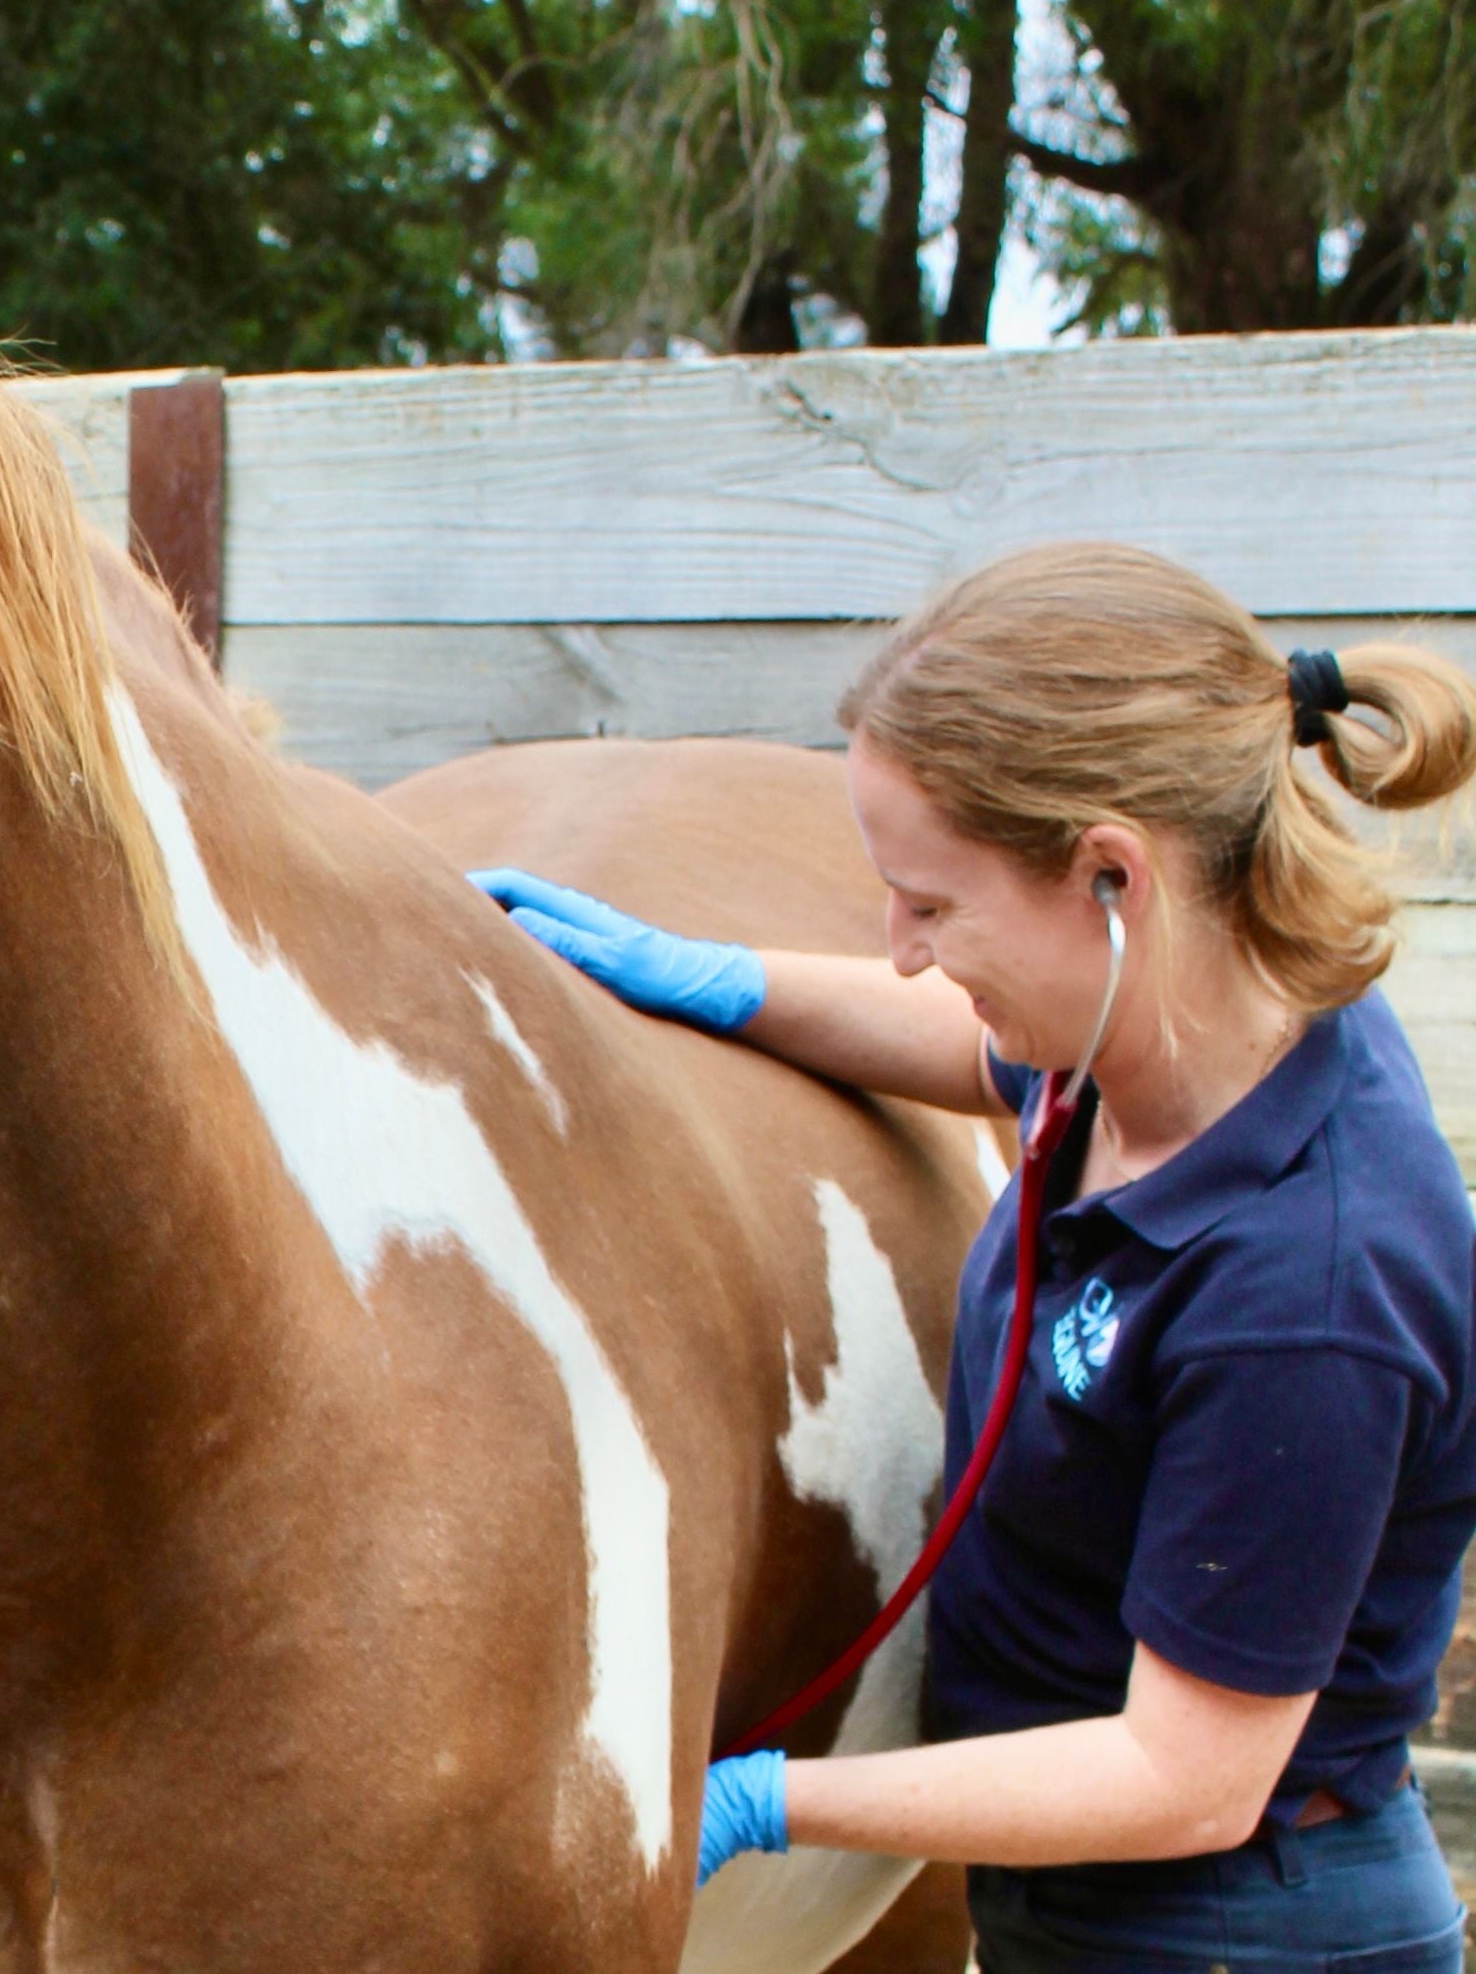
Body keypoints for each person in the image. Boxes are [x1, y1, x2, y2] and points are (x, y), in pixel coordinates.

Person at [477, 541, 1476, 1971]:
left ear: (1112, 879)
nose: (898, 950)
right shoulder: (1190, 1020)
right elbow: (981, 1051)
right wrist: (714, 978)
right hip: (1090, 1903)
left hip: (1226, 1928)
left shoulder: (1306, 1300)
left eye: (933, 906)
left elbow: (1181, 1780)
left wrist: (764, 1802)